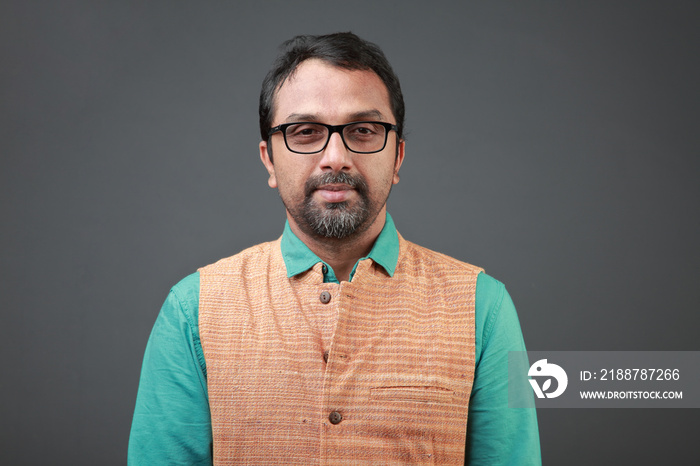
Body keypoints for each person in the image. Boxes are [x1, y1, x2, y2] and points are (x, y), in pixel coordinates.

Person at [128, 32, 541, 465]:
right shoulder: (192, 310)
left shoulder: (484, 307)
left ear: (397, 157)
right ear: (269, 159)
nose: (335, 157)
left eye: (363, 130)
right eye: (305, 132)